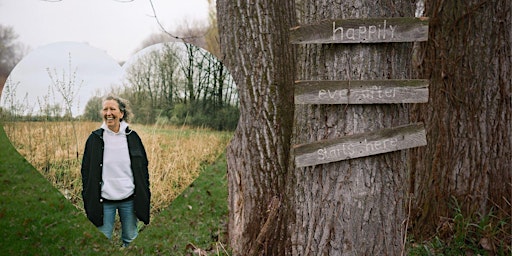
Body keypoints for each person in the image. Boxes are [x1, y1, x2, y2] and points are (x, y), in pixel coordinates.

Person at [81, 95, 150, 247]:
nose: (108, 113)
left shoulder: (133, 138)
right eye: (105, 109)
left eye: (112, 109)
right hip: (104, 202)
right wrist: (87, 194)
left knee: (131, 240)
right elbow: (86, 172)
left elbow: (143, 169)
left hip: (130, 200)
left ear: (121, 113)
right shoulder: (94, 139)